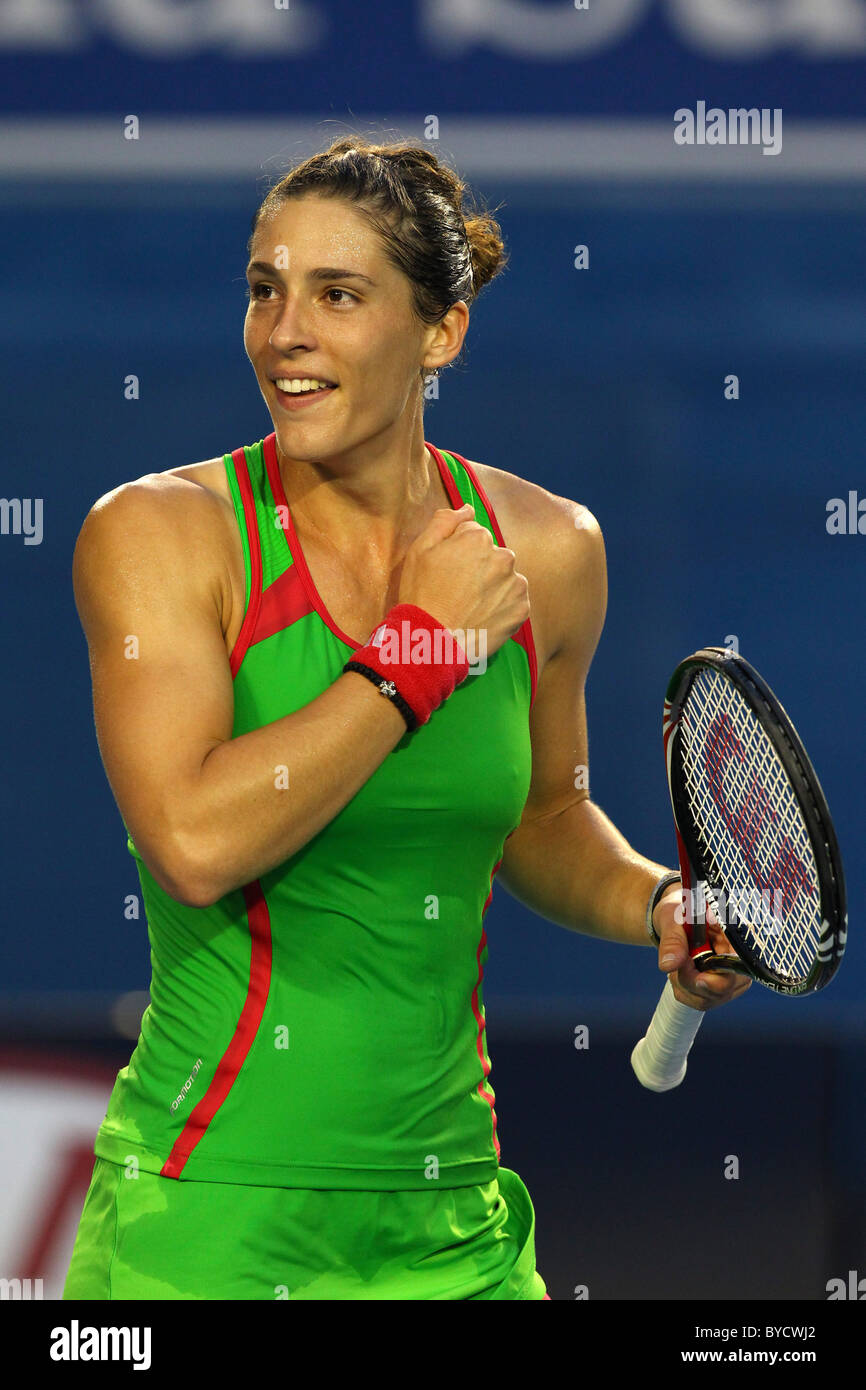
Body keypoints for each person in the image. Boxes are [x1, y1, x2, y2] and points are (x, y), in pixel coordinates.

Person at [63, 134, 749, 1301]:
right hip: (208, 1222)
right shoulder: (156, 535)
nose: (285, 330)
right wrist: (419, 653)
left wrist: (658, 905)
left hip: (452, 1223)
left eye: (337, 294)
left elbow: (538, 817)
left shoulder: (546, 551)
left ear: (441, 332)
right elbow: (190, 840)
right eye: (264, 290)